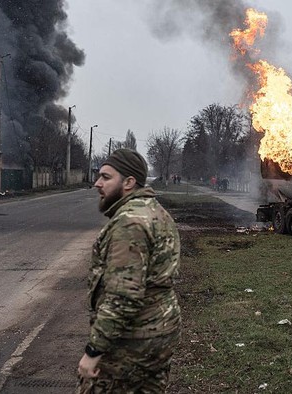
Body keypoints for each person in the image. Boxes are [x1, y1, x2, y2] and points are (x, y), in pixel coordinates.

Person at [77, 148, 182, 393]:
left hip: (133, 339)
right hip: (160, 334)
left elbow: (123, 296)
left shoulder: (130, 222)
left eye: (105, 177)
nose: (97, 183)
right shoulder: (156, 211)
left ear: (129, 182)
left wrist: (94, 350)